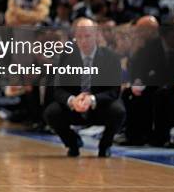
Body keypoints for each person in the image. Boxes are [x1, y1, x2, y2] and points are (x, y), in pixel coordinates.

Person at [43, 18, 125, 157]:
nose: (84, 41)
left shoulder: (111, 57)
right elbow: (57, 90)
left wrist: (92, 99)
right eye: (80, 37)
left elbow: (114, 91)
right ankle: (72, 143)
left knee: (118, 110)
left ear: (96, 35)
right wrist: (72, 100)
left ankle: (105, 146)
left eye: (87, 36)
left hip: (99, 106)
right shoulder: (66, 56)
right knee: (51, 112)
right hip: (75, 106)